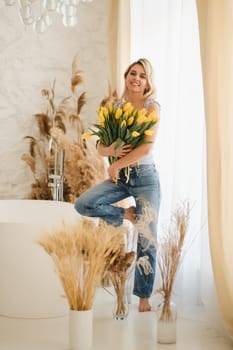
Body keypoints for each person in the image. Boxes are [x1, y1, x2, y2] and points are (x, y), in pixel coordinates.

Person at [75, 58, 161, 312]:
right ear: (126, 77)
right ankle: (126, 215)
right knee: (84, 203)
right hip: (121, 179)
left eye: (142, 75)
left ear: (148, 82)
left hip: (145, 178)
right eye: (132, 73)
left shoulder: (151, 107)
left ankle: (143, 298)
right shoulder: (115, 108)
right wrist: (111, 150)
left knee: (147, 237)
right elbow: (100, 146)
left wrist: (116, 163)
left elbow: (146, 147)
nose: (136, 78)